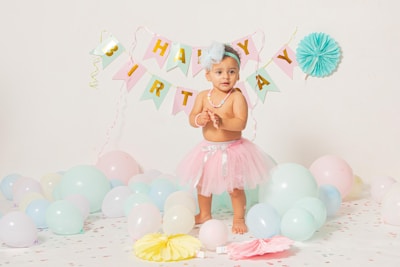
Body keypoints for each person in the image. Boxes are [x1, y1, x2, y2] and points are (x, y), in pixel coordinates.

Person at [177, 42, 275, 234]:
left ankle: (239, 218)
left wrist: (222, 122)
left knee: (235, 187)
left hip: (232, 150)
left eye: (231, 71)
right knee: (202, 184)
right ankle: (204, 213)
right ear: (208, 75)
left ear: (238, 74)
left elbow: (240, 123)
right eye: (219, 72)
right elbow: (191, 118)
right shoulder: (203, 97)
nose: (226, 77)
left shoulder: (237, 97)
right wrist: (199, 118)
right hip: (208, 150)